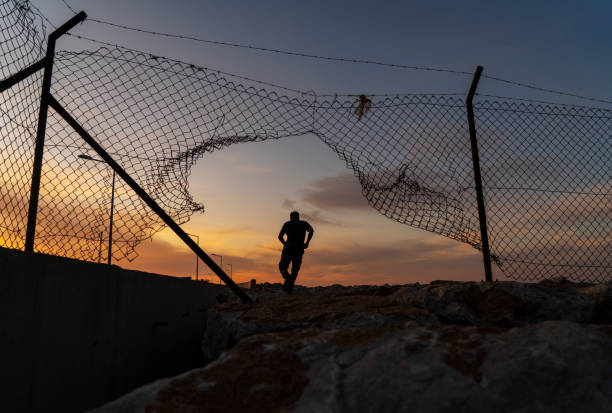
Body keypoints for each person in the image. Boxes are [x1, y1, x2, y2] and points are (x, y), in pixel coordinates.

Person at [278, 211, 314, 293]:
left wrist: (284, 243)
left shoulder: (287, 224)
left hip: (288, 248)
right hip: (299, 248)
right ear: (298, 217)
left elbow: (280, 236)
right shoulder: (303, 223)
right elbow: (311, 230)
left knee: (282, 267)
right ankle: (289, 288)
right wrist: (307, 242)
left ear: (290, 217)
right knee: (295, 269)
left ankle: (287, 279)